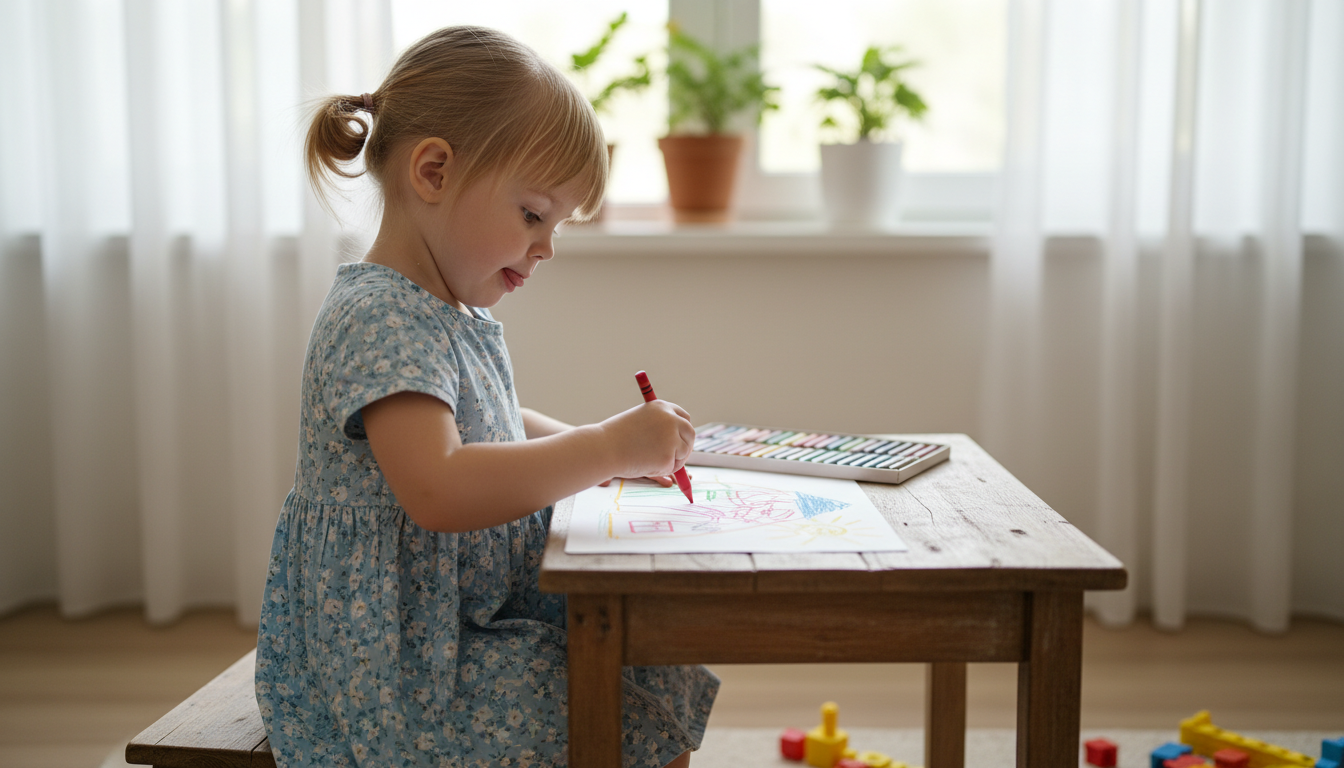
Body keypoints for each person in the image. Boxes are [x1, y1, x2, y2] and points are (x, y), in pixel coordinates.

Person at [254, 26, 717, 768]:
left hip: (457, 614)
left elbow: (490, 423)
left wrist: (606, 449)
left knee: (650, 653)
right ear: (432, 172)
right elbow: (438, 487)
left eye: (557, 226)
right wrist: (603, 447)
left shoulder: (445, 309)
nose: (547, 247)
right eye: (534, 215)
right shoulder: (380, 315)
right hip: (399, 667)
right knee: (611, 698)